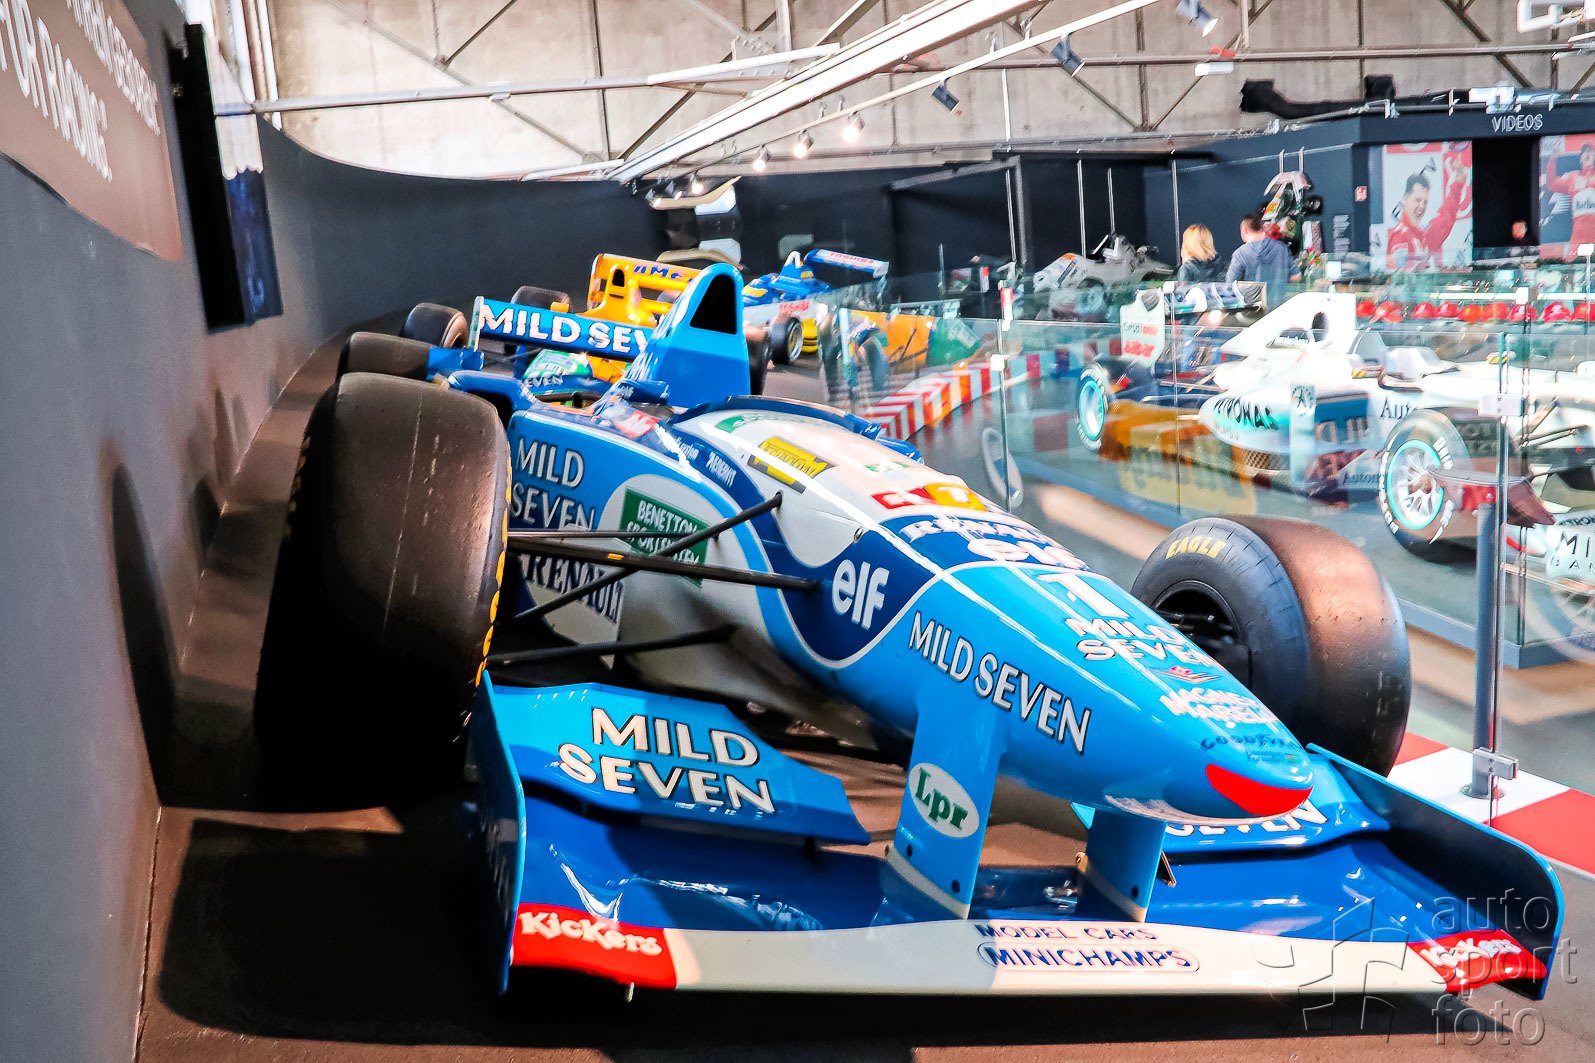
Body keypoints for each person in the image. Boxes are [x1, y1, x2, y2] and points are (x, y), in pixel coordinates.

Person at [1386, 157, 1466, 270]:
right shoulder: (1399, 235)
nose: (1422, 206)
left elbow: (1445, 219)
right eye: (1418, 200)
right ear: (1406, 198)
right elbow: (1399, 276)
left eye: (1425, 202)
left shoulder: (1422, 236)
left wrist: (1458, 182)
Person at [1226, 212, 1292, 307]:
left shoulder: (1240, 254)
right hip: (1278, 309)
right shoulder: (1281, 248)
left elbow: (1230, 286)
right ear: (1262, 228)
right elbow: (1296, 277)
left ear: (1244, 230)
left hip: (1252, 312)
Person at [1544, 142, 1595, 255]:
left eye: (1590, 151)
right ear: (1580, 158)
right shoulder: (1572, 178)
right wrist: (1552, 160)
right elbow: (1551, 185)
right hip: (1578, 238)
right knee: (1572, 263)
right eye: (1584, 152)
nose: (1587, 154)